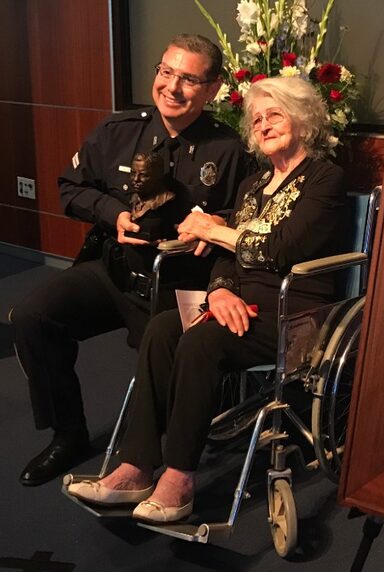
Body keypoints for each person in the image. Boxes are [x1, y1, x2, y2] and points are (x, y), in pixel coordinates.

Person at [67, 76, 346, 523]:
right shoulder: (253, 185)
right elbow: (224, 260)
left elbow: (278, 249)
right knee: (162, 327)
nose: (265, 124)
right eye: (257, 119)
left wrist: (211, 228)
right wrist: (218, 291)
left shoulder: (324, 178)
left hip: (292, 309)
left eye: (275, 114)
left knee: (201, 343)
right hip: (233, 302)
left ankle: (179, 476)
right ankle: (135, 467)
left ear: (302, 118)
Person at [11, 34, 251, 487]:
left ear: (213, 88)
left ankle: (146, 463)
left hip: (180, 285)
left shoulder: (231, 150)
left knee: (161, 362)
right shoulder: (119, 131)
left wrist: (219, 224)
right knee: (32, 317)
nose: (172, 87)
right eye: (166, 72)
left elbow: (247, 219)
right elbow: (71, 187)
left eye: (188, 79)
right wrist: (111, 212)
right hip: (116, 270)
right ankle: (69, 435)